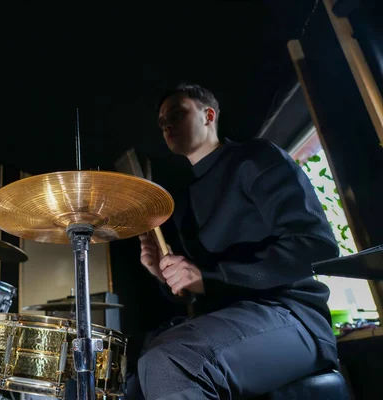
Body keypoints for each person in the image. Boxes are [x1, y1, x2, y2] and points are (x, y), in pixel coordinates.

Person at [129, 83, 340, 400]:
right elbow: (198, 289)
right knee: (133, 372)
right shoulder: (186, 203)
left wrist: (209, 278)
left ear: (208, 114)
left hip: (292, 316)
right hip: (228, 323)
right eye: (161, 123)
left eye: (176, 113)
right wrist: (167, 277)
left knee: (170, 362)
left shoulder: (255, 158)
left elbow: (316, 244)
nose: (167, 125)